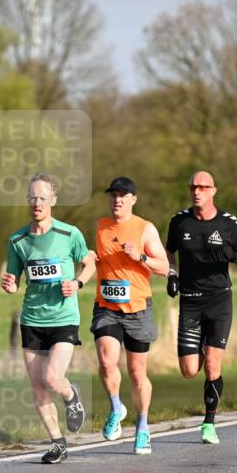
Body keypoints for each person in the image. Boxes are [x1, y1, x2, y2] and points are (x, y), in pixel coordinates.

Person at [2, 173, 96, 464]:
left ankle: (71, 395)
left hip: (64, 317)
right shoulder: (17, 240)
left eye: (42, 198)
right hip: (32, 318)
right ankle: (57, 442)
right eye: (32, 198)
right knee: (37, 386)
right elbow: (15, 279)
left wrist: (77, 283)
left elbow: (89, 263)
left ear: (53, 200)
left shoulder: (70, 234)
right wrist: (10, 285)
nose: (37, 203)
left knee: (52, 378)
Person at [165, 171, 237, 444]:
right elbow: (169, 252)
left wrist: (234, 255)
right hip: (190, 301)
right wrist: (171, 274)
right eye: (193, 187)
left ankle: (209, 423)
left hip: (218, 301)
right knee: (190, 370)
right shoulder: (179, 221)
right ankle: (201, 345)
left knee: (213, 364)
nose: (197, 191)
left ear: (213, 190)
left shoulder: (228, 223)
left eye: (203, 187)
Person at [91, 177, 170, 456]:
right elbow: (99, 258)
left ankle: (143, 426)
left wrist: (140, 257)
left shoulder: (145, 229)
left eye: (123, 195)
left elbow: (164, 267)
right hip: (107, 307)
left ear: (133, 199)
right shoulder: (100, 227)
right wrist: (90, 258)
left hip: (137, 309)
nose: (117, 200)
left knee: (137, 374)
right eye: (113, 195)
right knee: (106, 361)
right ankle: (116, 407)